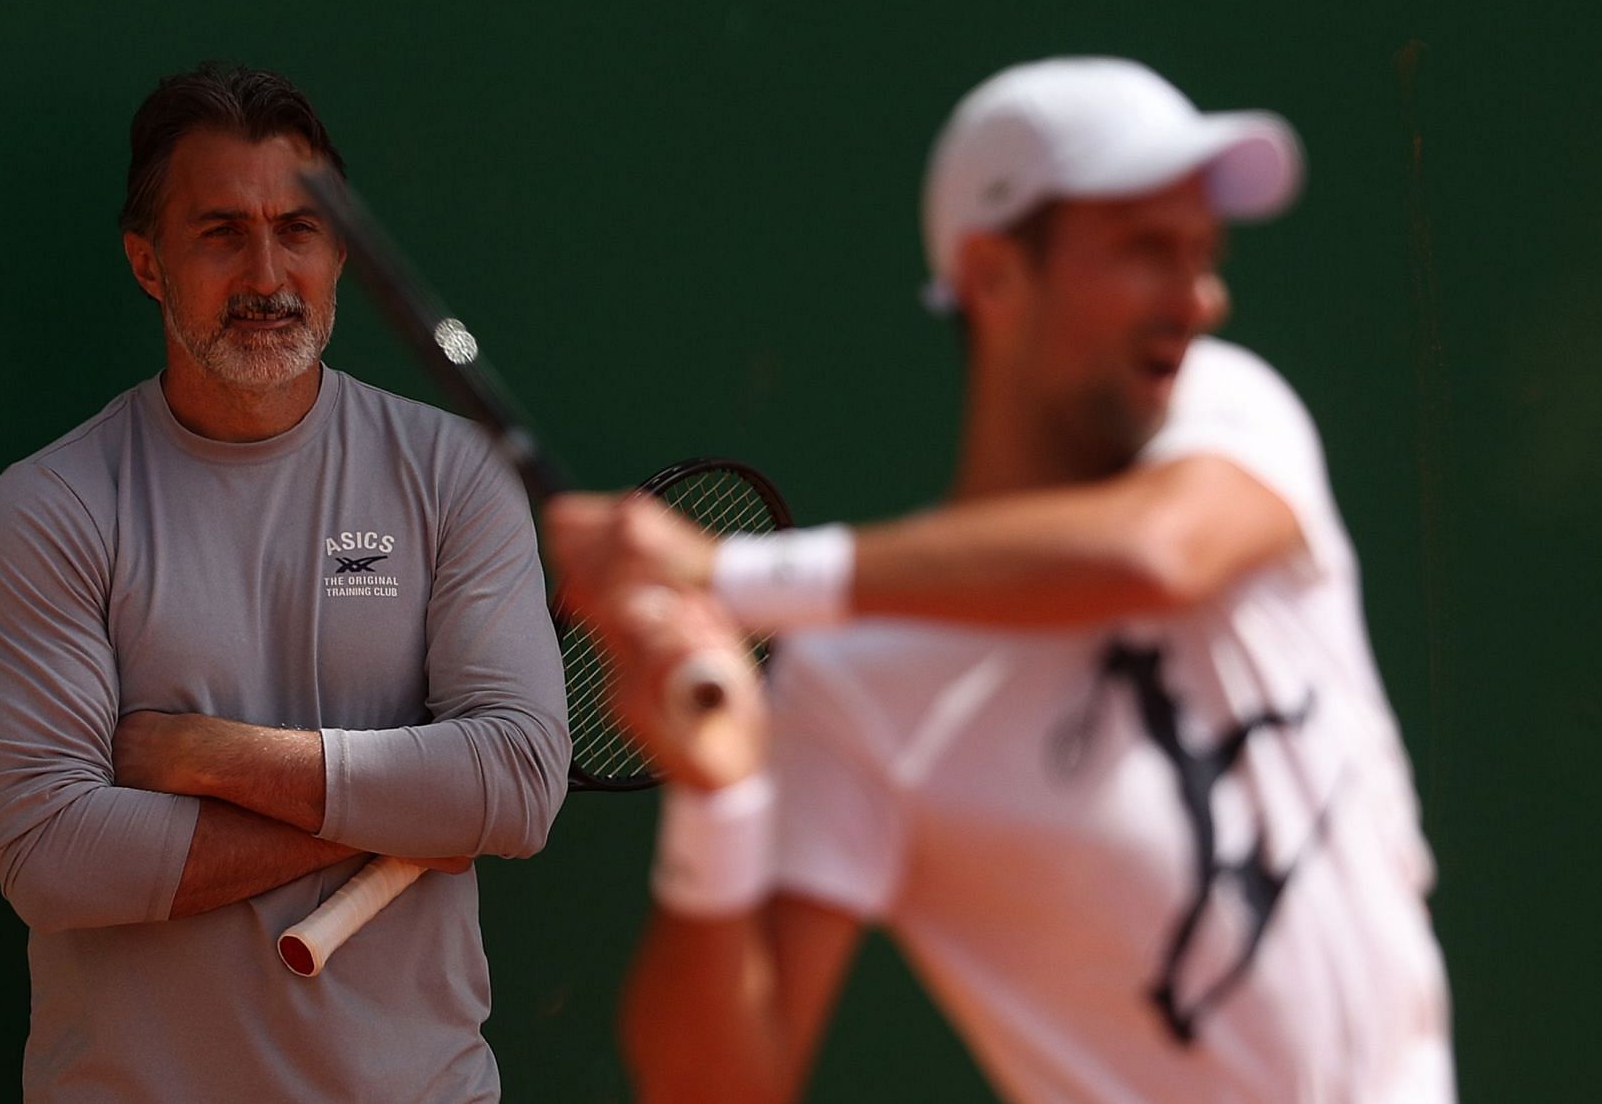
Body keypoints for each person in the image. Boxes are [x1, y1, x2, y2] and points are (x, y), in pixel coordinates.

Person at [546, 57, 1453, 1103]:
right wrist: (717, 799)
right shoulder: (854, 689)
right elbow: (714, 1091)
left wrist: (732, 574)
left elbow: (1150, 557)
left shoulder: (1234, 413)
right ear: (993, 275)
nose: (1200, 296)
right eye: (1146, 251)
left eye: (1203, 252)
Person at [0, 62, 569, 1103]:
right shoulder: (52, 508)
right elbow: (54, 855)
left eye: (299, 229)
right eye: (220, 232)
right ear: (146, 262)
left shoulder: (454, 473)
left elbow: (513, 781)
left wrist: (214, 757)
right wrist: (403, 807)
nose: (267, 277)